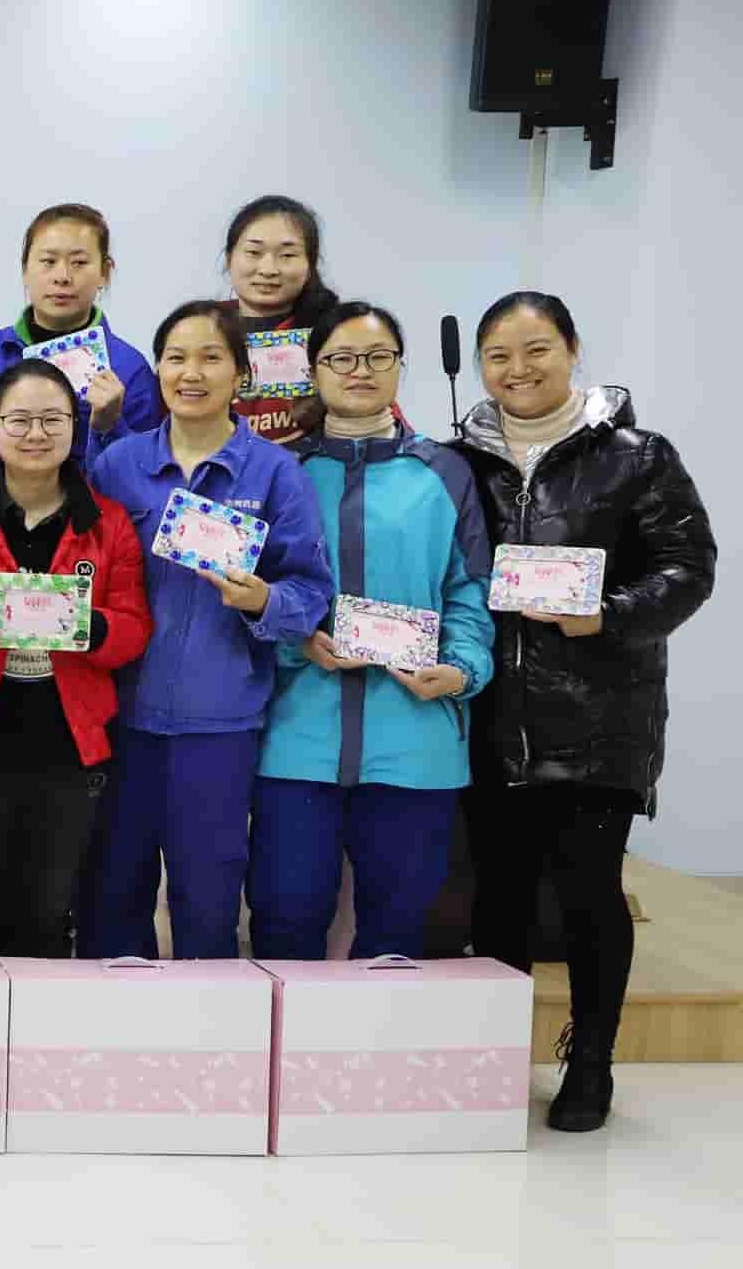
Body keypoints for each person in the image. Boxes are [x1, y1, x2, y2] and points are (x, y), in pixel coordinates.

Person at [452, 292, 714, 1132]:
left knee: (588, 891)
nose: (518, 369)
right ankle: (495, 1059)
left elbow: (688, 567)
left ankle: (591, 1059)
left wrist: (608, 612)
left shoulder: (639, 456)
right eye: (498, 355)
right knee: (498, 893)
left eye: (537, 349)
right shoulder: (458, 460)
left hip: (600, 716)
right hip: (491, 714)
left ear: (571, 349)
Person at [80, 300, 333, 960]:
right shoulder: (118, 465)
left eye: (211, 358)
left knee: (208, 900)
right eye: (176, 358)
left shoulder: (275, 473)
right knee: (112, 896)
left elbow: (311, 593)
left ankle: (211, 1023)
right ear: (157, 369)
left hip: (220, 725)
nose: (191, 373)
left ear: (241, 373)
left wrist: (262, 600)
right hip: (120, 720)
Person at [250, 304, 494, 966]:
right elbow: (252, 592)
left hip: (415, 736)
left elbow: (469, 590)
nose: (360, 370)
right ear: (314, 371)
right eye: (342, 358)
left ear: (399, 368)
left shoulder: (445, 472)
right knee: (285, 919)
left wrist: (462, 669)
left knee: (397, 930)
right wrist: (296, 639)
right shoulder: (281, 471)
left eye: (378, 356)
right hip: (297, 737)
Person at [0, 359, 152, 959]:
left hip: (69, 739)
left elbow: (135, 629)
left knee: (49, 910)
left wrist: (90, 626)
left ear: (75, 425)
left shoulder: (110, 523)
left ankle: (44, 1013)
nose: (36, 434)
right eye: (19, 420)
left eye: (52, 419)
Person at [0, 203, 160, 460]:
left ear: (104, 272)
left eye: (79, 262)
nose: (62, 276)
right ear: (25, 269)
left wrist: (110, 427)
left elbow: (145, 469)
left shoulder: (130, 369)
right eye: (48, 261)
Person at [221, 195, 343, 446]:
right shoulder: (198, 330)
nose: (268, 269)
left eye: (287, 255)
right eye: (254, 252)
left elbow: (385, 426)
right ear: (229, 258)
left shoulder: (338, 336)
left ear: (310, 264)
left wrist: (334, 406)